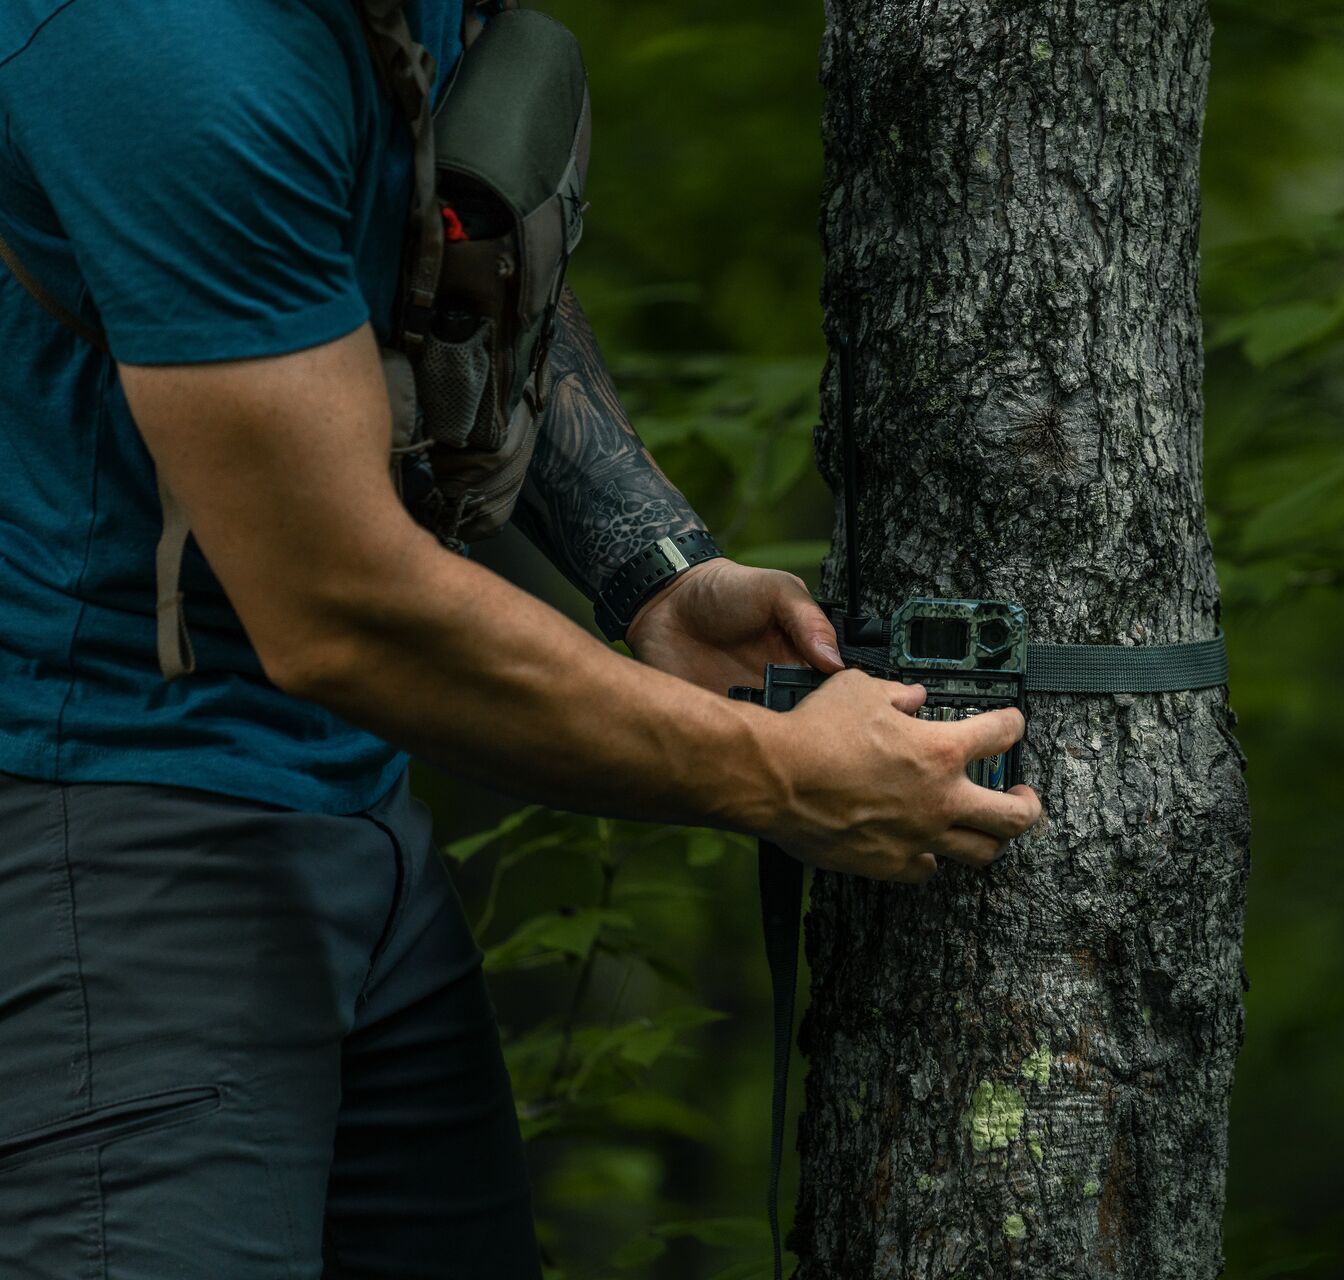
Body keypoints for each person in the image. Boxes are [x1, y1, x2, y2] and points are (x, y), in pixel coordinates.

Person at [0, 2, 1044, 1275]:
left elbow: (444, 275)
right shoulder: (166, 49)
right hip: (103, 823)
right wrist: (780, 774)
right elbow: (339, 608)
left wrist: (650, 566)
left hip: (351, 801)